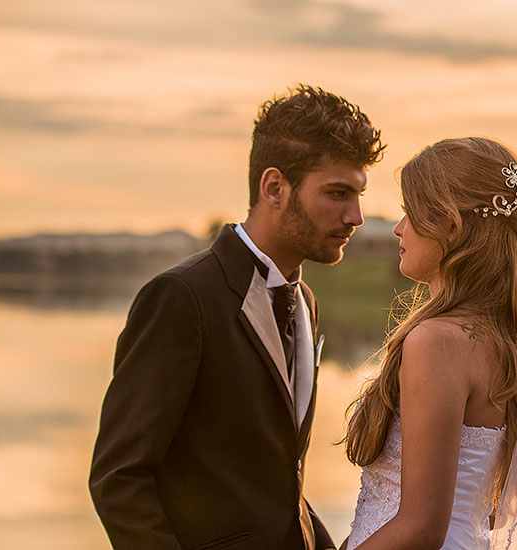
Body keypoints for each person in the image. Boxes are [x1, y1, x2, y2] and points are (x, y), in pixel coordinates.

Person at [89, 84, 384, 550]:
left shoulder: (304, 301)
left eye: (359, 194)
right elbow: (118, 478)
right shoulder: (181, 298)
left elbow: (277, 480)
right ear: (274, 188)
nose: (356, 216)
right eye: (338, 193)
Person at [341, 138, 517, 550]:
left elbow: (421, 527)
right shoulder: (502, 340)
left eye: (411, 214)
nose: (399, 228)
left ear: (451, 227)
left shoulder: (435, 343)